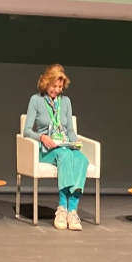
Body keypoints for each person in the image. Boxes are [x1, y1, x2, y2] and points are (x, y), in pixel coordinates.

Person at [23, 64, 89, 231]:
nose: (57, 90)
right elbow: (26, 131)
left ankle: (72, 210)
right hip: (46, 150)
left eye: (60, 87)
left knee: (82, 159)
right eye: (54, 86)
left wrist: (75, 143)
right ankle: (61, 208)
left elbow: (70, 131)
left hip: (64, 147)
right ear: (46, 83)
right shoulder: (36, 100)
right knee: (65, 156)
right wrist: (42, 137)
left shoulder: (65, 102)